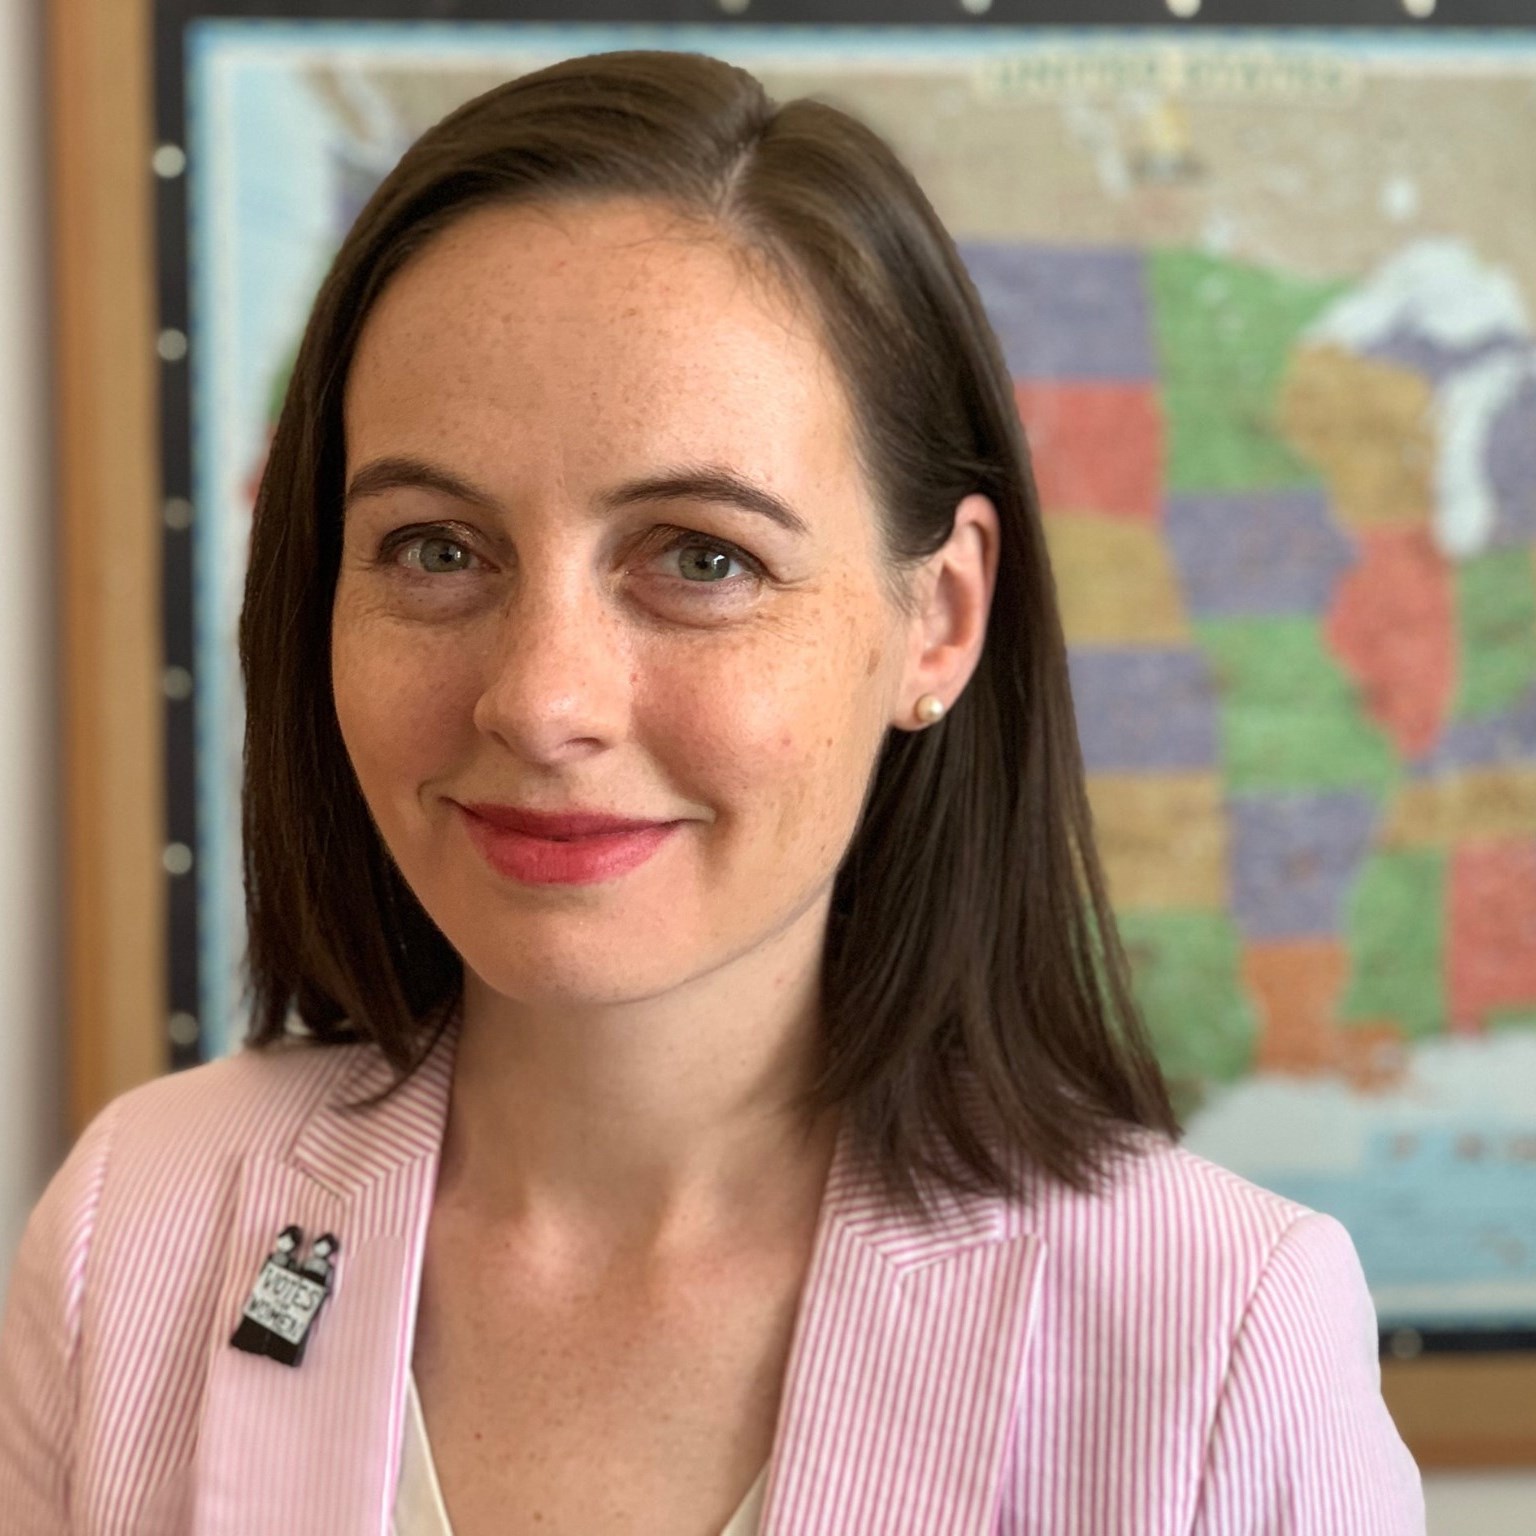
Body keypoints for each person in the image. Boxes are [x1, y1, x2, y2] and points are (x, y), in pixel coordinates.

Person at [0, 49, 1424, 1535]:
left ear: (938, 621)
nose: (540, 700)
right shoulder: (134, 1224)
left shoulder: (1218, 1334)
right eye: (435, 548)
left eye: (701, 557)